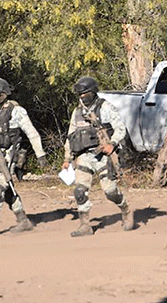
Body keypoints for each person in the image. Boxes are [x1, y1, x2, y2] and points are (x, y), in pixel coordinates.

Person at [0, 78, 48, 236]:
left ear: (4, 93)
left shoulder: (16, 111)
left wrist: (40, 154)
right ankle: (23, 220)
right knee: (8, 192)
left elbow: (31, 133)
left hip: (10, 156)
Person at [62, 76, 134, 237]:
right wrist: (67, 159)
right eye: (80, 94)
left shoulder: (105, 107)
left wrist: (112, 143)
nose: (82, 96)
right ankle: (85, 225)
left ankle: (125, 209)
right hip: (83, 156)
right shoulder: (77, 112)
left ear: (93, 91)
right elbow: (70, 136)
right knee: (79, 191)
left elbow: (120, 128)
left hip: (103, 154)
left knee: (110, 191)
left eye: (85, 93)